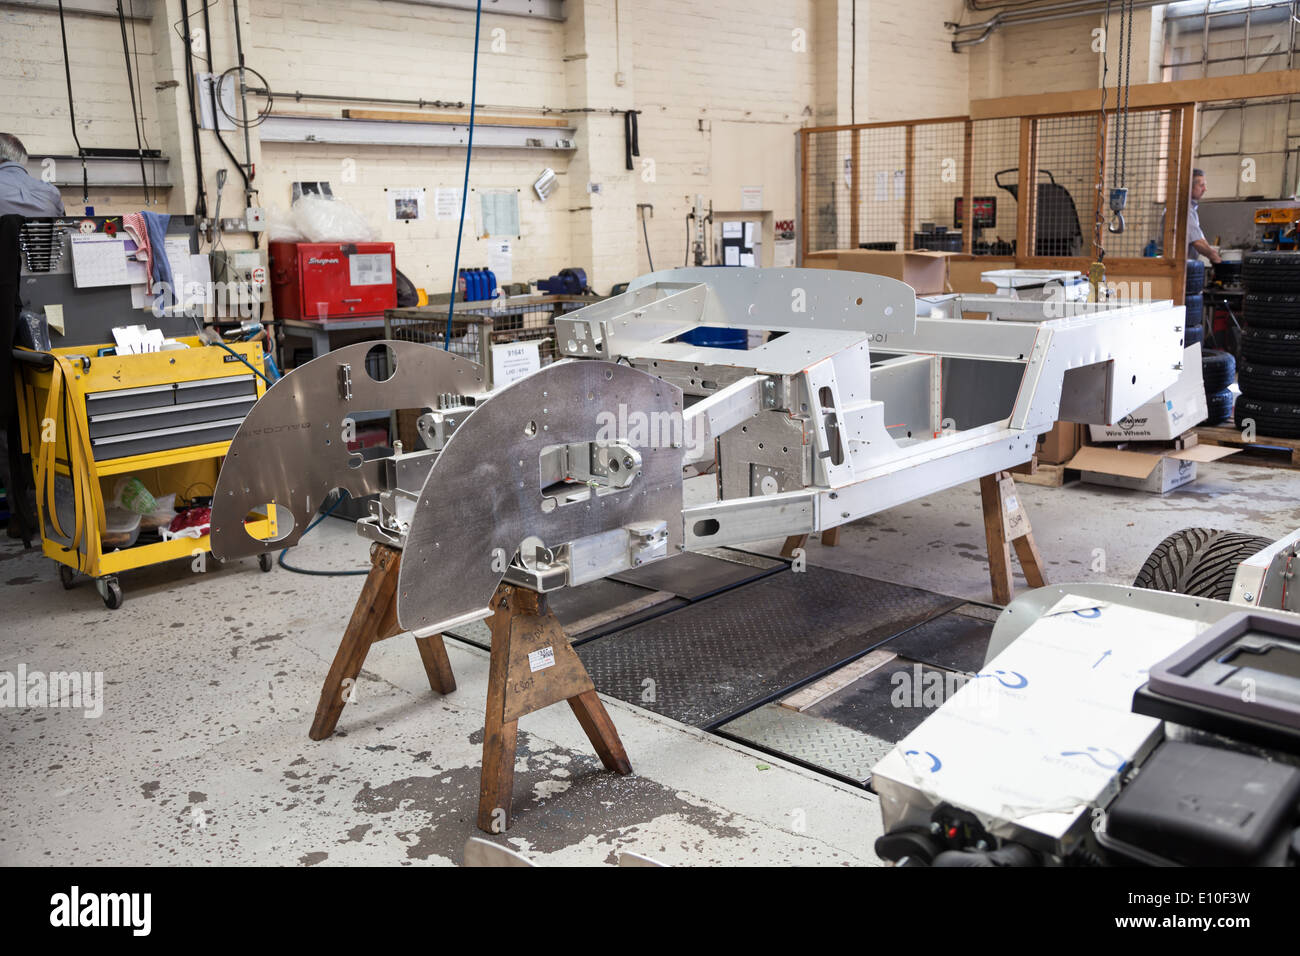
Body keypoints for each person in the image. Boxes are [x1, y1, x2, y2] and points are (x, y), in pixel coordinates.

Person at [1186, 168, 1221, 264]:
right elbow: (1197, 242)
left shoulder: (1191, 209)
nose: (1205, 189)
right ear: (1190, 187)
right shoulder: (1184, 209)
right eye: (1201, 185)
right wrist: (1214, 256)